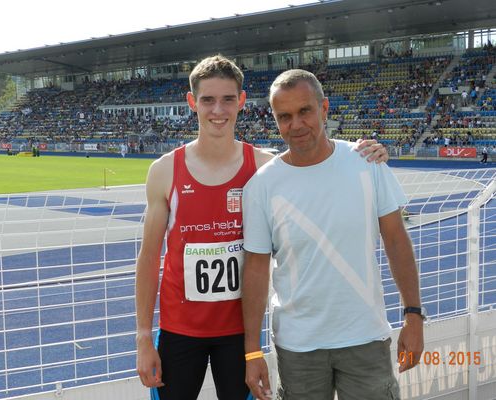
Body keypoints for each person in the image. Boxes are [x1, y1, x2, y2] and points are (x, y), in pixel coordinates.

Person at [135, 56, 390, 400]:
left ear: (241, 102)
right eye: (208, 100)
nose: (218, 110)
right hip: (180, 332)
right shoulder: (165, 172)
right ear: (192, 102)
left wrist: (364, 151)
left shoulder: (264, 167)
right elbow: (149, 258)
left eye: (228, 99)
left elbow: (316, 162)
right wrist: (143, 337)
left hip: (239, 336)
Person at [241, 69, 424, 400]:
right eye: (285, 116)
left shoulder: (367, 163)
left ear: (324, 109)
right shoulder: (261, 186)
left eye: (305, 111)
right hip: (298, 347)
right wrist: (252, 351)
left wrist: (414, 316)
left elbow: (396, 240)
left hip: (365, 337)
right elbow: (255, 268)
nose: (296, 124)